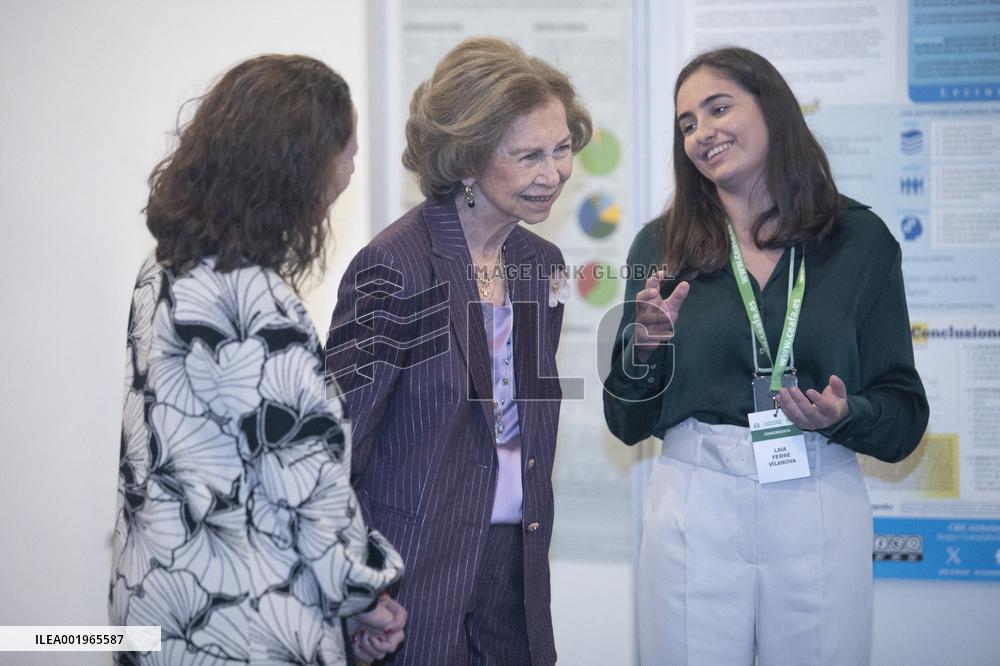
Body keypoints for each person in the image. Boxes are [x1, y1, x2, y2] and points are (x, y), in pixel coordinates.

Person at [603, 47, 929, 665]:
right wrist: (641, 349)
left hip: (817, 495)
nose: (703, 132)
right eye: (687, 124)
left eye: (718, 107)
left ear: (772, 108)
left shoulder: (861, 241)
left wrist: (845, 413)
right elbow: (625, 422)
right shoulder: (660, 244)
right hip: (697, 498)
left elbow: (903, 413)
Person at [109, 54, 408, 665]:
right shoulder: (256, 305)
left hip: (153, 609)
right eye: (347, 152)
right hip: (243, 628)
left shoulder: (163, 268)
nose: (352, 170)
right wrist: (369, 593)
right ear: (295, 168)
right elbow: (307, 487)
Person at [325, 37, 591, 665]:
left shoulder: (539, 264)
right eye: (528, 155)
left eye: (561, 149)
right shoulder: (394, 266)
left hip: (513, 573)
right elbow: (334, 450)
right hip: (411, 577)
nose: (551, 173)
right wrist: (358, 586)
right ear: (467, 161)